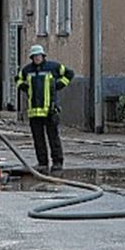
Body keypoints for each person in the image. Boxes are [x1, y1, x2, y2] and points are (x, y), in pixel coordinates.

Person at [16, 45, 74, 173]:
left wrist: (59, 85)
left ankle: (57, 162)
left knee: (53, 138)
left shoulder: (53, 67)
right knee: (38, 139)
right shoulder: (27, 70)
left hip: (50, 110)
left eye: (39, 56)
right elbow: (18, 79)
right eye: (35, 56)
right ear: (32, 58)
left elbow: (69, 74)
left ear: (43, 56)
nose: (37, 58)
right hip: (34, 112)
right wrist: (25, 88)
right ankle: (42, 162)